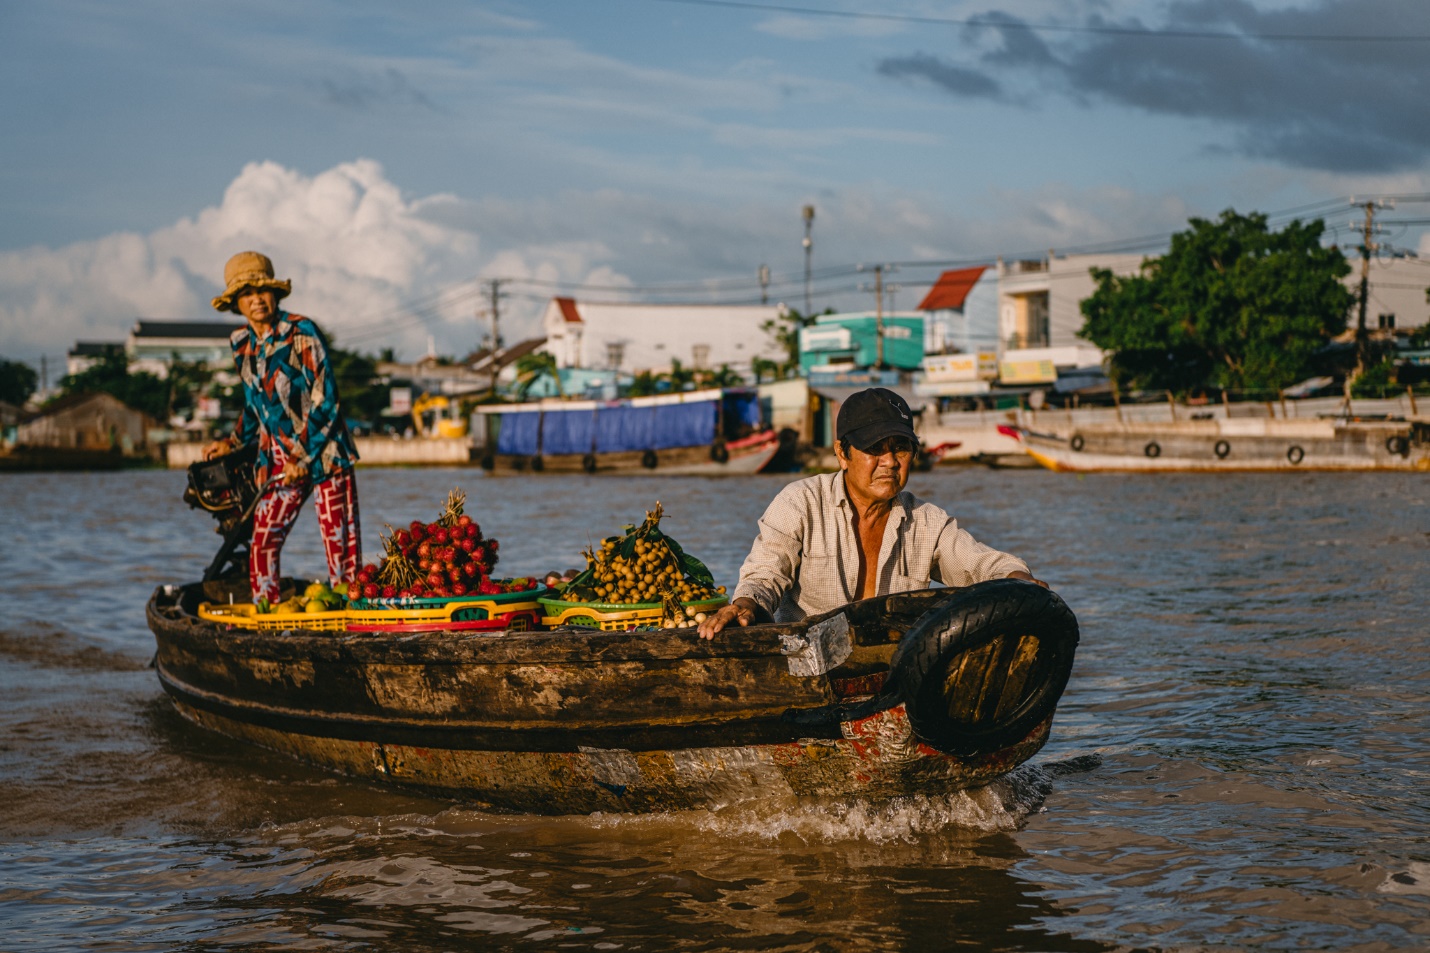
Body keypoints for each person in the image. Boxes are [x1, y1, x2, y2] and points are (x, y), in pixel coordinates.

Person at [698, 387, 1042, 639]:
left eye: (901, 448)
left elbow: (981, 565)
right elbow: (764, 575)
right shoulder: (800, 502)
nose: (891, 462)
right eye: (875, 449)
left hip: (894, 670)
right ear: (842, 454)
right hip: (805, 666)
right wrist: (744, 604)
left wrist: (1020, 581)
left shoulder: (926, 521)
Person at [202, 251, 361, 604]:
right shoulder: (241, 343)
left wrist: (301, 457)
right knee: (263, 542)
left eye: (262, 291)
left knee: (341, 553)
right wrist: (231, 442)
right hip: (277, 462)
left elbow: (327, 399)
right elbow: (254, 404)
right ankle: (268, 614)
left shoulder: (301, 332)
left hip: (324, 456)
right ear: (237, 304)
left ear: (275, 294)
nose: (256, 299)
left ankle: (352, 620)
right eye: (247, 294)